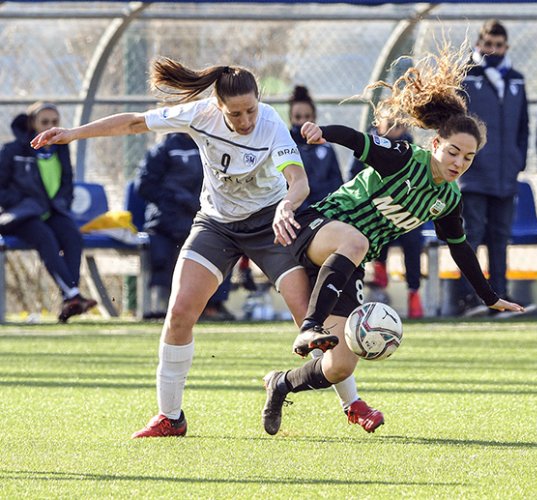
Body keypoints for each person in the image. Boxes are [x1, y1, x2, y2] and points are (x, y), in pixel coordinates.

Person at [31, 59, 380, 437]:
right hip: (215, 225)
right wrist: (72, 134)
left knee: (308, 320)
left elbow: (298, 181)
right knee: (180, 311)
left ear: (259, 102)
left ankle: (352, 403)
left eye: (250, 110)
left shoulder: (272, 125)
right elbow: (134, 121)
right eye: (235, 113)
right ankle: (170, 416)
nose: (245, 119)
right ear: (218, 106)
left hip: (269, 226)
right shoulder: (199, 114)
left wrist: (286, 205)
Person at [261, 41, 526, 435]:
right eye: (453, 152)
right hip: (318, 227)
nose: (459, 163)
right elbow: (358, 140)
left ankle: (281, 384)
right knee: (356, 241)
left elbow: (461, 250)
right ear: (436, 144)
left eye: (468, 158)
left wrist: (489, 296)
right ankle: (309, 326)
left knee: (340, 365)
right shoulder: (404, 157)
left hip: (348, 260)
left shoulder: (448, 199)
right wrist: (322, 133)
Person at [454, 19, 530, 317]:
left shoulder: (516, 79)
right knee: (470, 236)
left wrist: (517, 160)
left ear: (506, 47)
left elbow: (523, 126)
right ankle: (468, 298)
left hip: (505, 174)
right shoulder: (465, 78)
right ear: (478, 45)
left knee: (500, 236)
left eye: (499, 46)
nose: (493, 50)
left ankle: (500, 296)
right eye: (488, 45)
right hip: (473, 175)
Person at [0, 101, 96, 322]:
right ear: (32, 123)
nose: (50, 126)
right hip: (20, 215)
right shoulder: (12, 151)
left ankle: (70, 298)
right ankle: (73, 295)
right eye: (44, 122)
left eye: (54, 122)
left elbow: (67, 184)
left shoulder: (61, 148)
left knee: (72, 236)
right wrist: (22, 202)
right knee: (45, 237)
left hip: (52, 212)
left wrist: (62, 203)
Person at [135, 132, 234, 321]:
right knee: (165, 244)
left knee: (224, 240)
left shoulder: (211, 146)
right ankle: (162, 304)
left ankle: (213, 304)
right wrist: (175, 200)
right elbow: (145, 185)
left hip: (202, 214)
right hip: (166, 217)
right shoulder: (163, 149)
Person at [350, 119, 424, 318]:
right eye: (390, 123)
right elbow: (352, 177)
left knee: (413, 238)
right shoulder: (367, 144)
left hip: (404, 210)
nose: (395, 128)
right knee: (379, 224)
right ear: (378, 123)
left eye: (400, 124)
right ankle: (379, 264)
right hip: (374, 207)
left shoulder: (413, 149)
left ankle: (414, 291)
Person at [288, 85, 343, 210]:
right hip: (296, 213)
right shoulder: (284, 148)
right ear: (290, 118)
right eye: (297, 117)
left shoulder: (327, 148)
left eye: (307, 117)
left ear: (314, 117)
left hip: (324, 211)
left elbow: (337, 184)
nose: (303, 121)